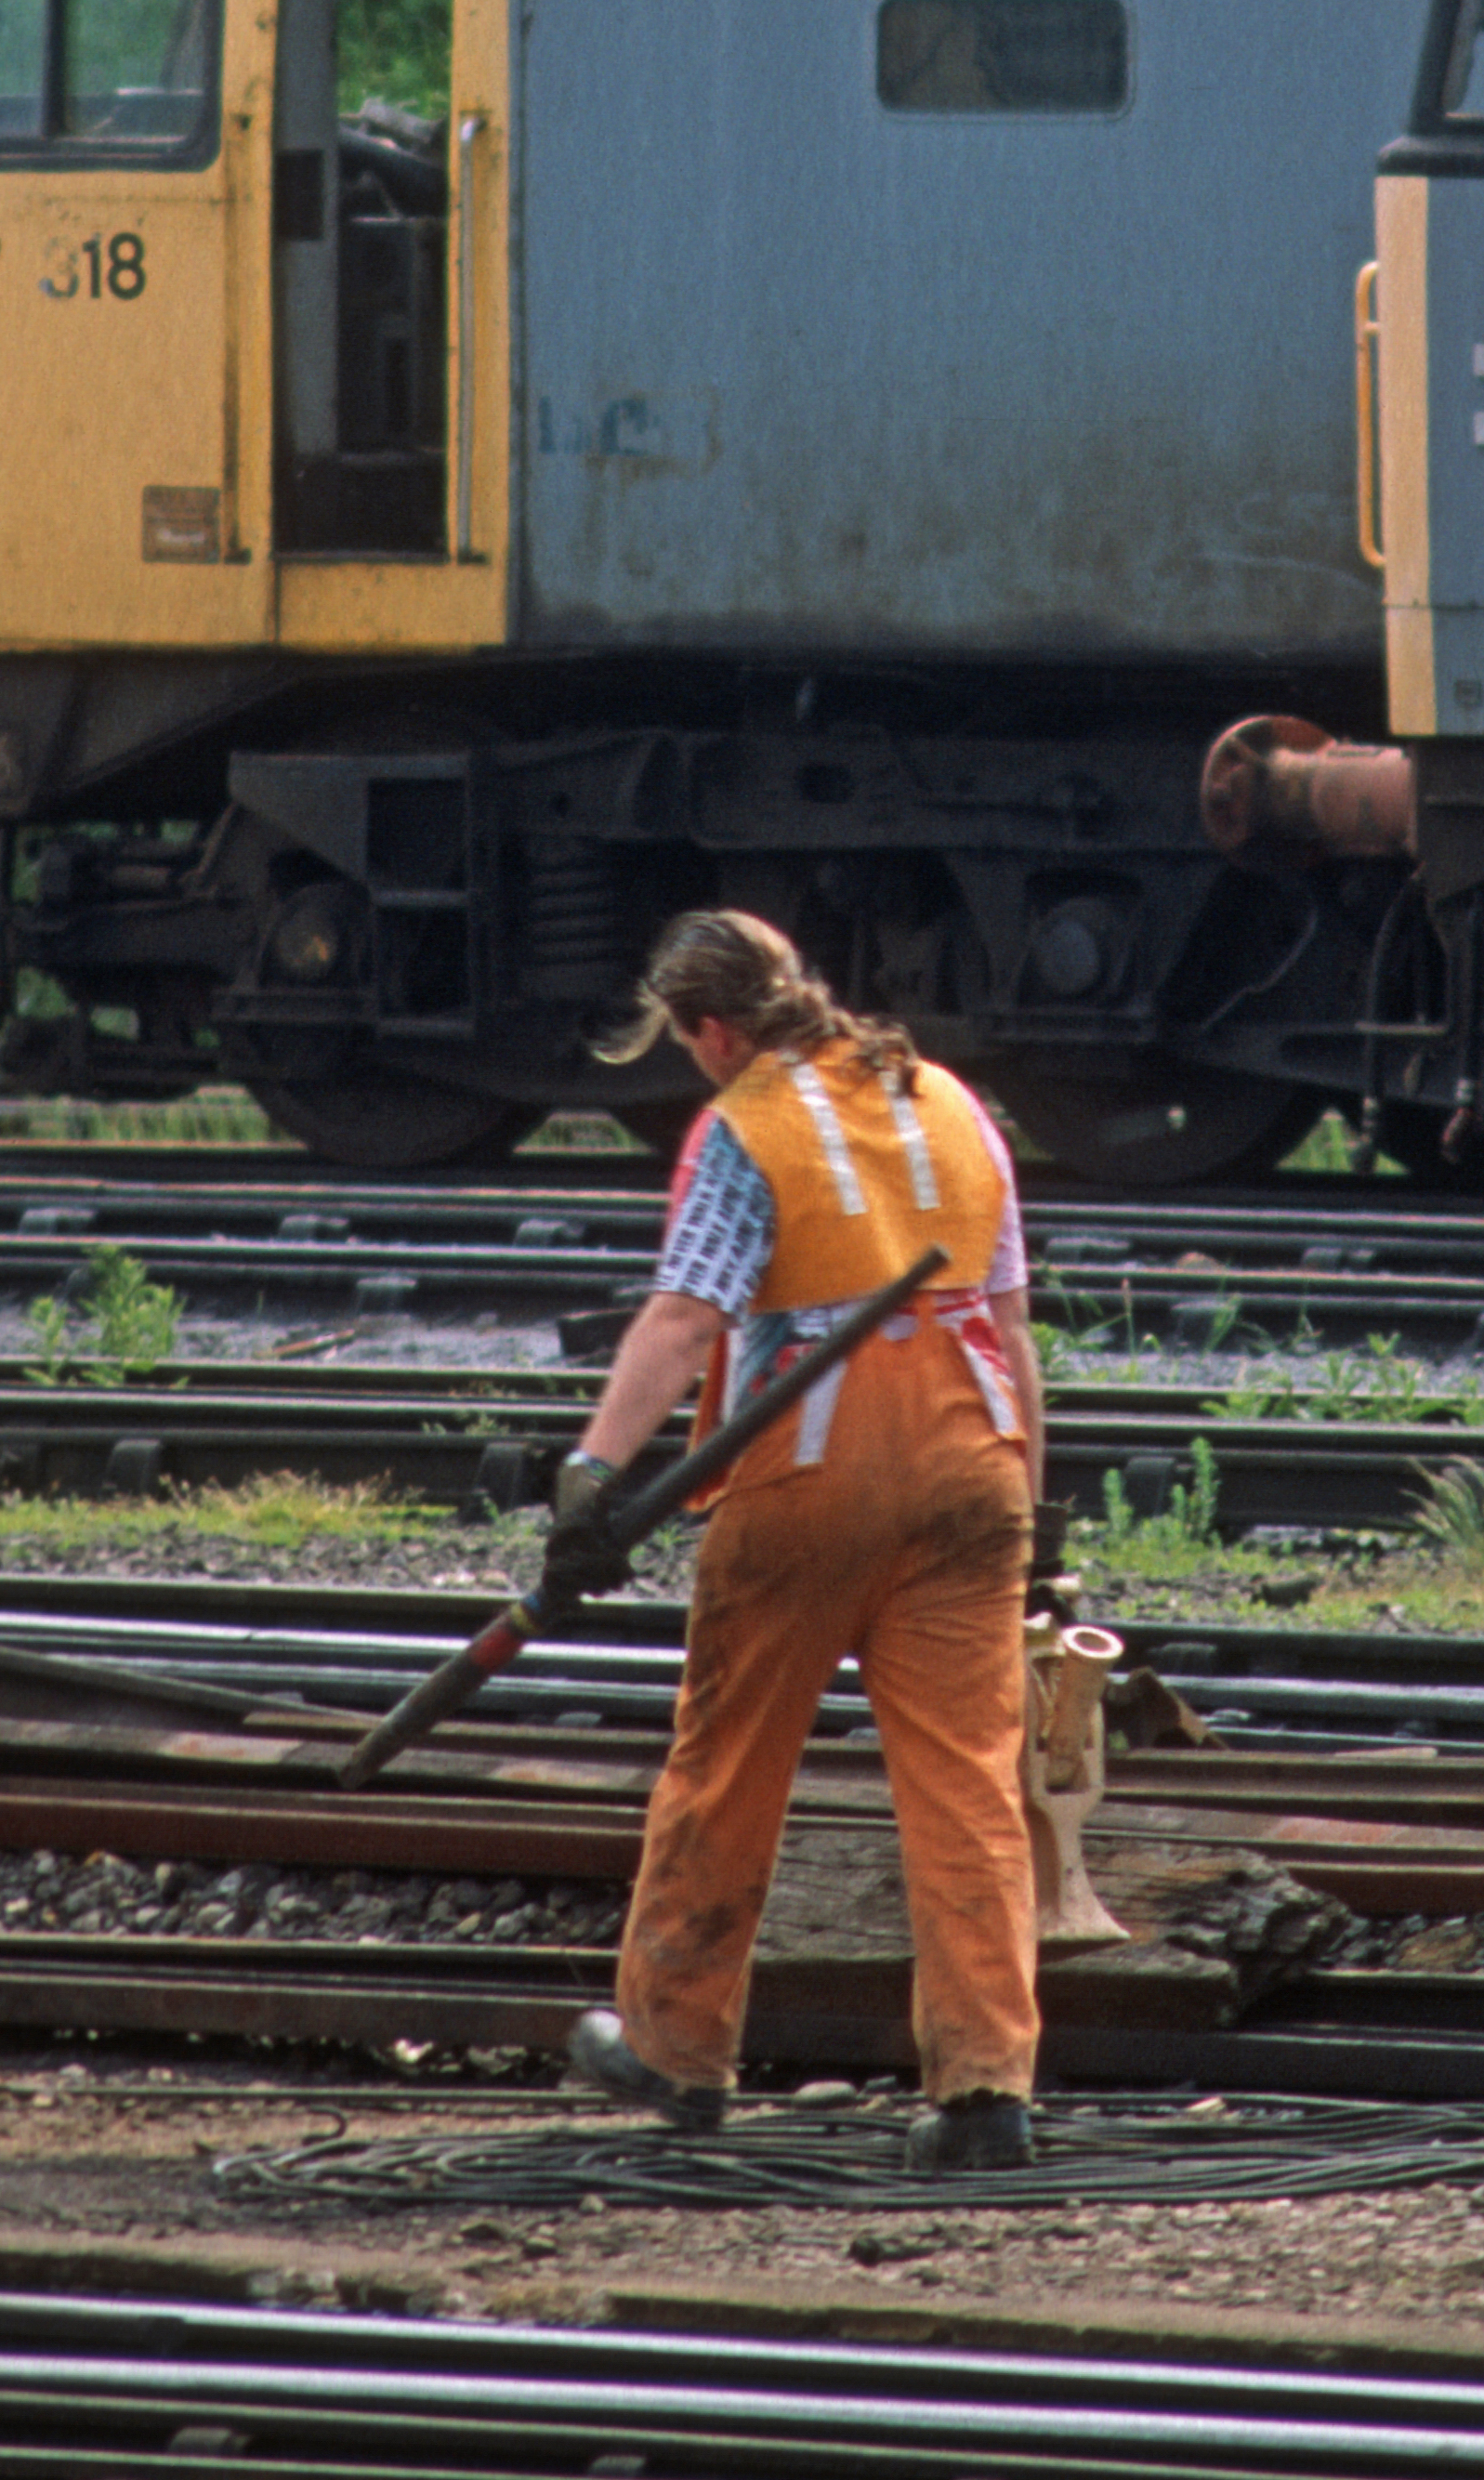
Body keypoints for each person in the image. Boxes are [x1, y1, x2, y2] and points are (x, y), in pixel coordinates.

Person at [552, 907, 1044, 2172]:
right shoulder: (950, 1102)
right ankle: (985, 2092)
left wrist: (591, 1473)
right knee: (970, 1787)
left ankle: (674, 2049)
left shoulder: (746, 1125)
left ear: (713, 1028)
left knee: (728, 1765)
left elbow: (683, 1318)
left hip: (816, 1470)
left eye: (686, 1041)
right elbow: (1009, 1322)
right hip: (975, 1460)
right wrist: (1024, 1506)